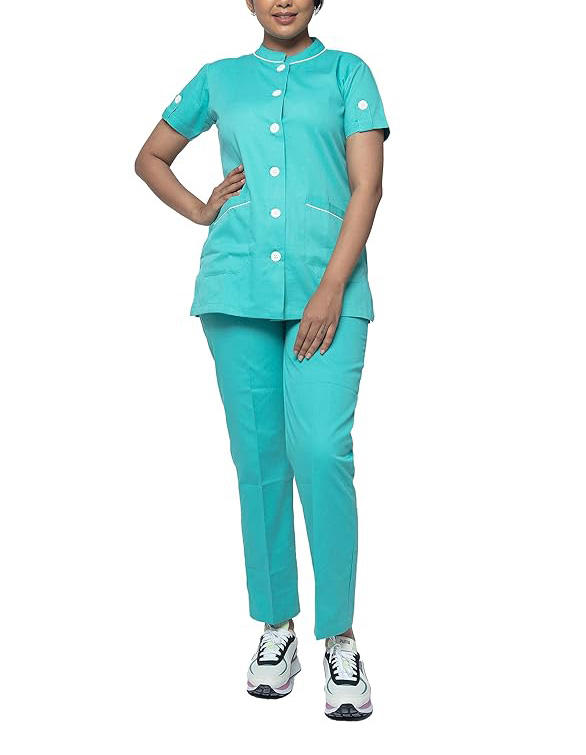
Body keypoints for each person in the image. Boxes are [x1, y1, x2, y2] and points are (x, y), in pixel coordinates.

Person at [134, 0, 389, 721]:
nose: (282, 0)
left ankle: (340, 636)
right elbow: (149, 157)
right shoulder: (219, 77)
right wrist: (199, 208)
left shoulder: (347, 73)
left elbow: (367, 185)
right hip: (235, 288)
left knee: (321, 451)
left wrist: (331, 287)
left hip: (328, 289)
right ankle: (277, 627)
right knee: (259, 459)